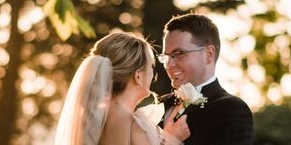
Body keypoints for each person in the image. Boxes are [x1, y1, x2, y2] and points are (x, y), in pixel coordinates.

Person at [54, 31, 190, 145]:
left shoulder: (92, 120)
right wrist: (173, 139)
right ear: (138, 76)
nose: (153, 76)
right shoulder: (131, 124)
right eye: (151, 67)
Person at [159, 13, 254, 145]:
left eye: (179, 53)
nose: (169, 64)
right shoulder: (160, 105)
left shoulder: (231, 109)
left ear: (208, 54)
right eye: (166, 56)